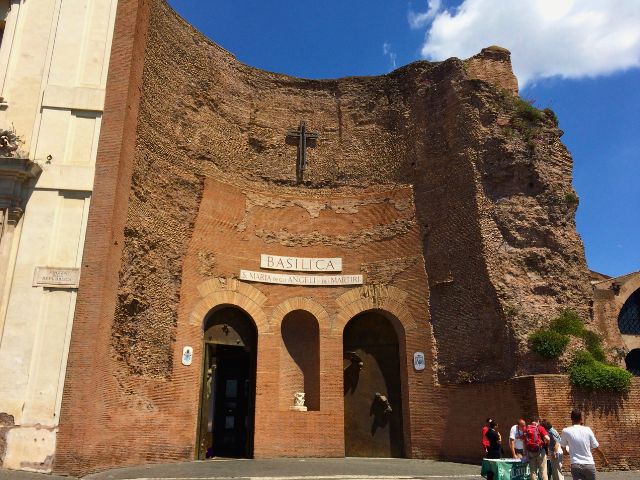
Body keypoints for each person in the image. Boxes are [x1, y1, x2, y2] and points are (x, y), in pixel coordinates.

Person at [561, 410, 608, 480]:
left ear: (571, 419)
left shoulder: (566, 431)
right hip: (589, 464)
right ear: (581, 419)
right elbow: (597, 448)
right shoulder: (588, 430)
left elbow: (563, 448)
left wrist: (568, 452)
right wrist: (604, 460)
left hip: (575, 464)